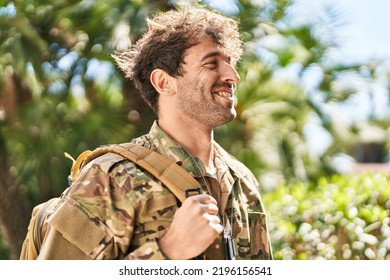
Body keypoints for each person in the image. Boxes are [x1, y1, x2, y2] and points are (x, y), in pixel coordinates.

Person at [37, 3, 273, 260]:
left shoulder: (243, 181)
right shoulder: (109, 178)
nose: (233, 75)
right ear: (164, 82)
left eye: (229, 62)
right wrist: (168, 251)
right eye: (211, 63)